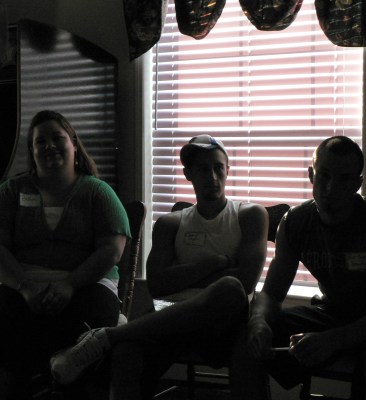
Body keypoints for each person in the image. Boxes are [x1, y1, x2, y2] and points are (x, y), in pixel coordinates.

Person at [50, 134, 270, 400]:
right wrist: (213, 264)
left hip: (223, 324)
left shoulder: (250, 214)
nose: (212, 176)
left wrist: (184, 276)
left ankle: (106, 336)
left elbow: (245, 281)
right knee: (127, 350)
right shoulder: (171, 223)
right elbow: (157, 285)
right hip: (171, 319)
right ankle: (117, 339)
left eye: (218, 168)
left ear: (228, 170)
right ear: (188, 174)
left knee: (230, 288)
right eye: (203, 169)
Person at [230, 136, 366, 400]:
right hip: (332, 313)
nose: (331, 188)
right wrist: (259, 321)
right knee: (246, 342)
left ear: (357, 184)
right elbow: (272, 294)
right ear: (311, 175)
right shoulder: (294, 221)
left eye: (344, 179)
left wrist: (332, 340)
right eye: (324, 176)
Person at [0, 110, 131, 399]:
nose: (49, 146)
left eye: (57, 138)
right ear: (32, 151)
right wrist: (24, 287)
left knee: (84, 320)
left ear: (73, 143)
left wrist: (69, 284)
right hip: (23, 283)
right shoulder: (10, 192)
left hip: (88, 283)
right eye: (40, 141)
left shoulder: (98, 192)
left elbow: (112, 250)